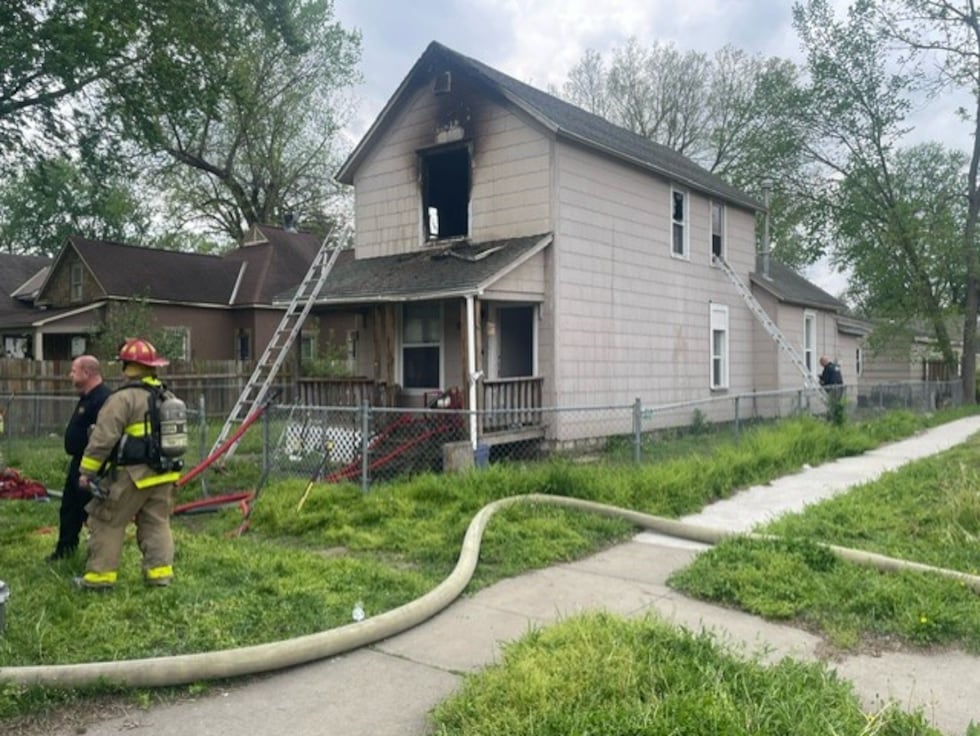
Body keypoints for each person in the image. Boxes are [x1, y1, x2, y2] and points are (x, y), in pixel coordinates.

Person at [75, 338, 182, 590]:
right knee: (156, 523)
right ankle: (160, 577)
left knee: (106, 520)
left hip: (132, 475)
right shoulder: (167, 396)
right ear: (152, 366)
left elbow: (102, 439)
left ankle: (99, 579)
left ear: (127, 366)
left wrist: (86, 472)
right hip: (164, 473)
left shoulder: (122, 399)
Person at [47, 355, 111, 561]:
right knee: (69, 509)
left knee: (93, 512)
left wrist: (90, 470)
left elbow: (103, 438)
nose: (70, 375)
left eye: (74, 370)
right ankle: (65, 550)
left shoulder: (103, 399)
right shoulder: (86, 397)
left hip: (93, 466)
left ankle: (99, 557)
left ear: (87, 373)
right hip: (78, 463)